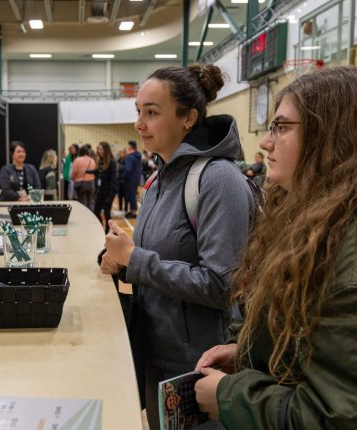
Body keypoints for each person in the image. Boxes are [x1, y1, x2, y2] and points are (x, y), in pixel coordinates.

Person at [194, 66, 357, 429]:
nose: (265, 142)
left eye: (281, 127)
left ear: (331, 137)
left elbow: (338, 418)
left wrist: (229, 395)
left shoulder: (353, 258)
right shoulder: (316, 219)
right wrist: (249, 352)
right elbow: (305, 346)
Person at [100, 64, 255, 430]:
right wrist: (118, 261)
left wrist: (135, 260)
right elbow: (160, 255)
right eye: (138, 111)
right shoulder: (158, 179)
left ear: (188, 118)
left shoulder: (219, 180)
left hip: (198, 367)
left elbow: (221, 285)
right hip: (156, 351)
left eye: (151, 113)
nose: (140, 123)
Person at [93, 141, 118, 233]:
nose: (99, 150)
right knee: (96, 211)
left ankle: (108, 232)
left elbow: (113, 180)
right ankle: (102, 229)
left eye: (101, 149)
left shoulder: (112, 162)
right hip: (100, 191)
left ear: (105, 150)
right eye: (98, 148)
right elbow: (99, 176)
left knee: (107, 214)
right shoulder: (100, 161)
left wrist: (111, 196)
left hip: (108, 192)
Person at [70, 145, 96, 211]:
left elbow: (73, 173)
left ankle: (85, 219)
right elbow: (94, 171)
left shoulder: (77, 160)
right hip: (91, 183)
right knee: (91, 202)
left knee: (83, 203)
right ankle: (92, 218)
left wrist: (73, 179)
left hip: (81, 184)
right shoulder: (92, 160)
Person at [122, 140, 142, 218]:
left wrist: (123, 177)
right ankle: (132, 211)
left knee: (131, 196)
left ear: (130, 147)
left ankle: (133, 212)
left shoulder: (130, 157)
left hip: (130, 179)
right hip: (136, 179)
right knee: (133, 195)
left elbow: (128, 169)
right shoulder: (138, 156)